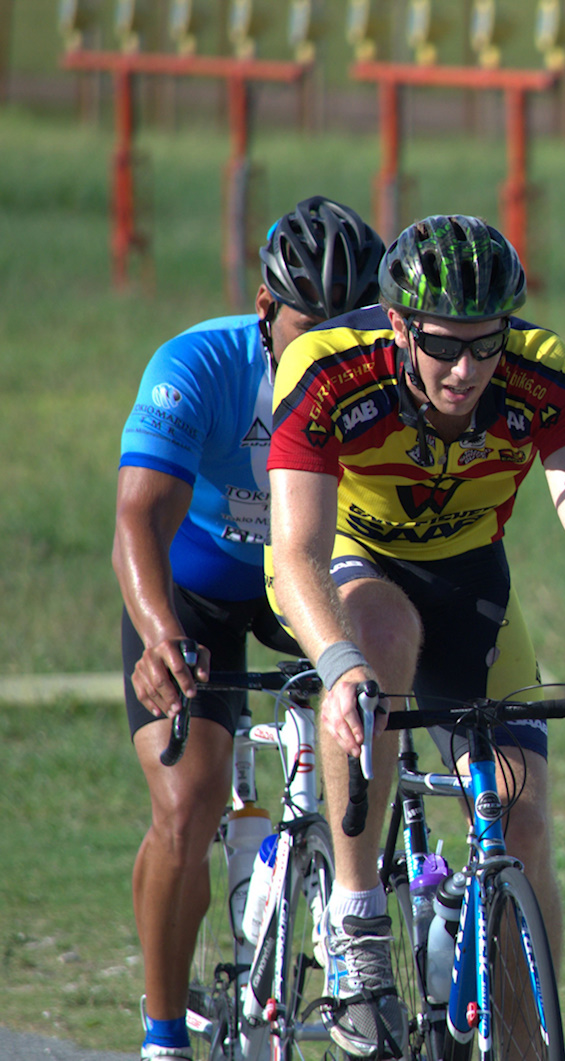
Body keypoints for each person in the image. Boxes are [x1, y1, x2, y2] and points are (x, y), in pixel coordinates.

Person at [266, 213, 565, 1058]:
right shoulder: (328, 370)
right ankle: (358, 923)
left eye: (486, 345)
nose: (467, 370)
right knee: (380, 632)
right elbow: (297, 549)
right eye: (444, 346)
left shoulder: (539, 372)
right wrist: (341, 664)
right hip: (348, 566)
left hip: (470, 581)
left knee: (523, 819)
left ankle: (525, 1044)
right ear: (398, 325)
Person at [113, 196, 384, 1060]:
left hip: (305, 579)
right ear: (265, 311)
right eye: (313, 328)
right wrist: (158, 633)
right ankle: (163, 1034)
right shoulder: (197, 364)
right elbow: (139, 521)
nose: (335, 349)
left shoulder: (388, 375)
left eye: (355, 326)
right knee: (189, 801)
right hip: (194, 592)